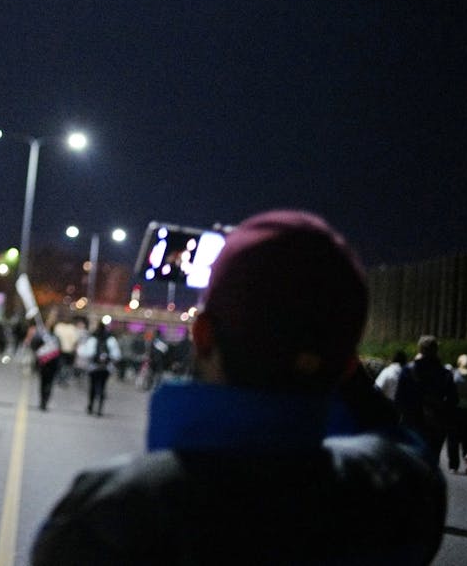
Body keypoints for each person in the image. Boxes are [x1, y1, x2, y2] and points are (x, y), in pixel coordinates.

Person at [32, 210, 446, 565]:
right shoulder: (396, 496)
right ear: (346, 362)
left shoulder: (107, 514)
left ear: (203, 334)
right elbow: (402, 444)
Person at [396, 335, 458, 466]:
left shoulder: (408, 370)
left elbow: (399, 399)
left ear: (420, 349)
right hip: (435, 424)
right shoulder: (445, 374)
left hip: (411, 421)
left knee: (409, 460)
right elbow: (453, 400)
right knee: (431, 461)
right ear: (436, 350)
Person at [78, 321, 121, 417]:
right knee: (102, 387)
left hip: (93, 367)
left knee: (92, 386)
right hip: (106, 368)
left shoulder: (93, 338)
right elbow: (117, 355)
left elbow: (86, 353)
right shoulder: (111, 339)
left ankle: (91, 406)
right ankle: (100, 409)